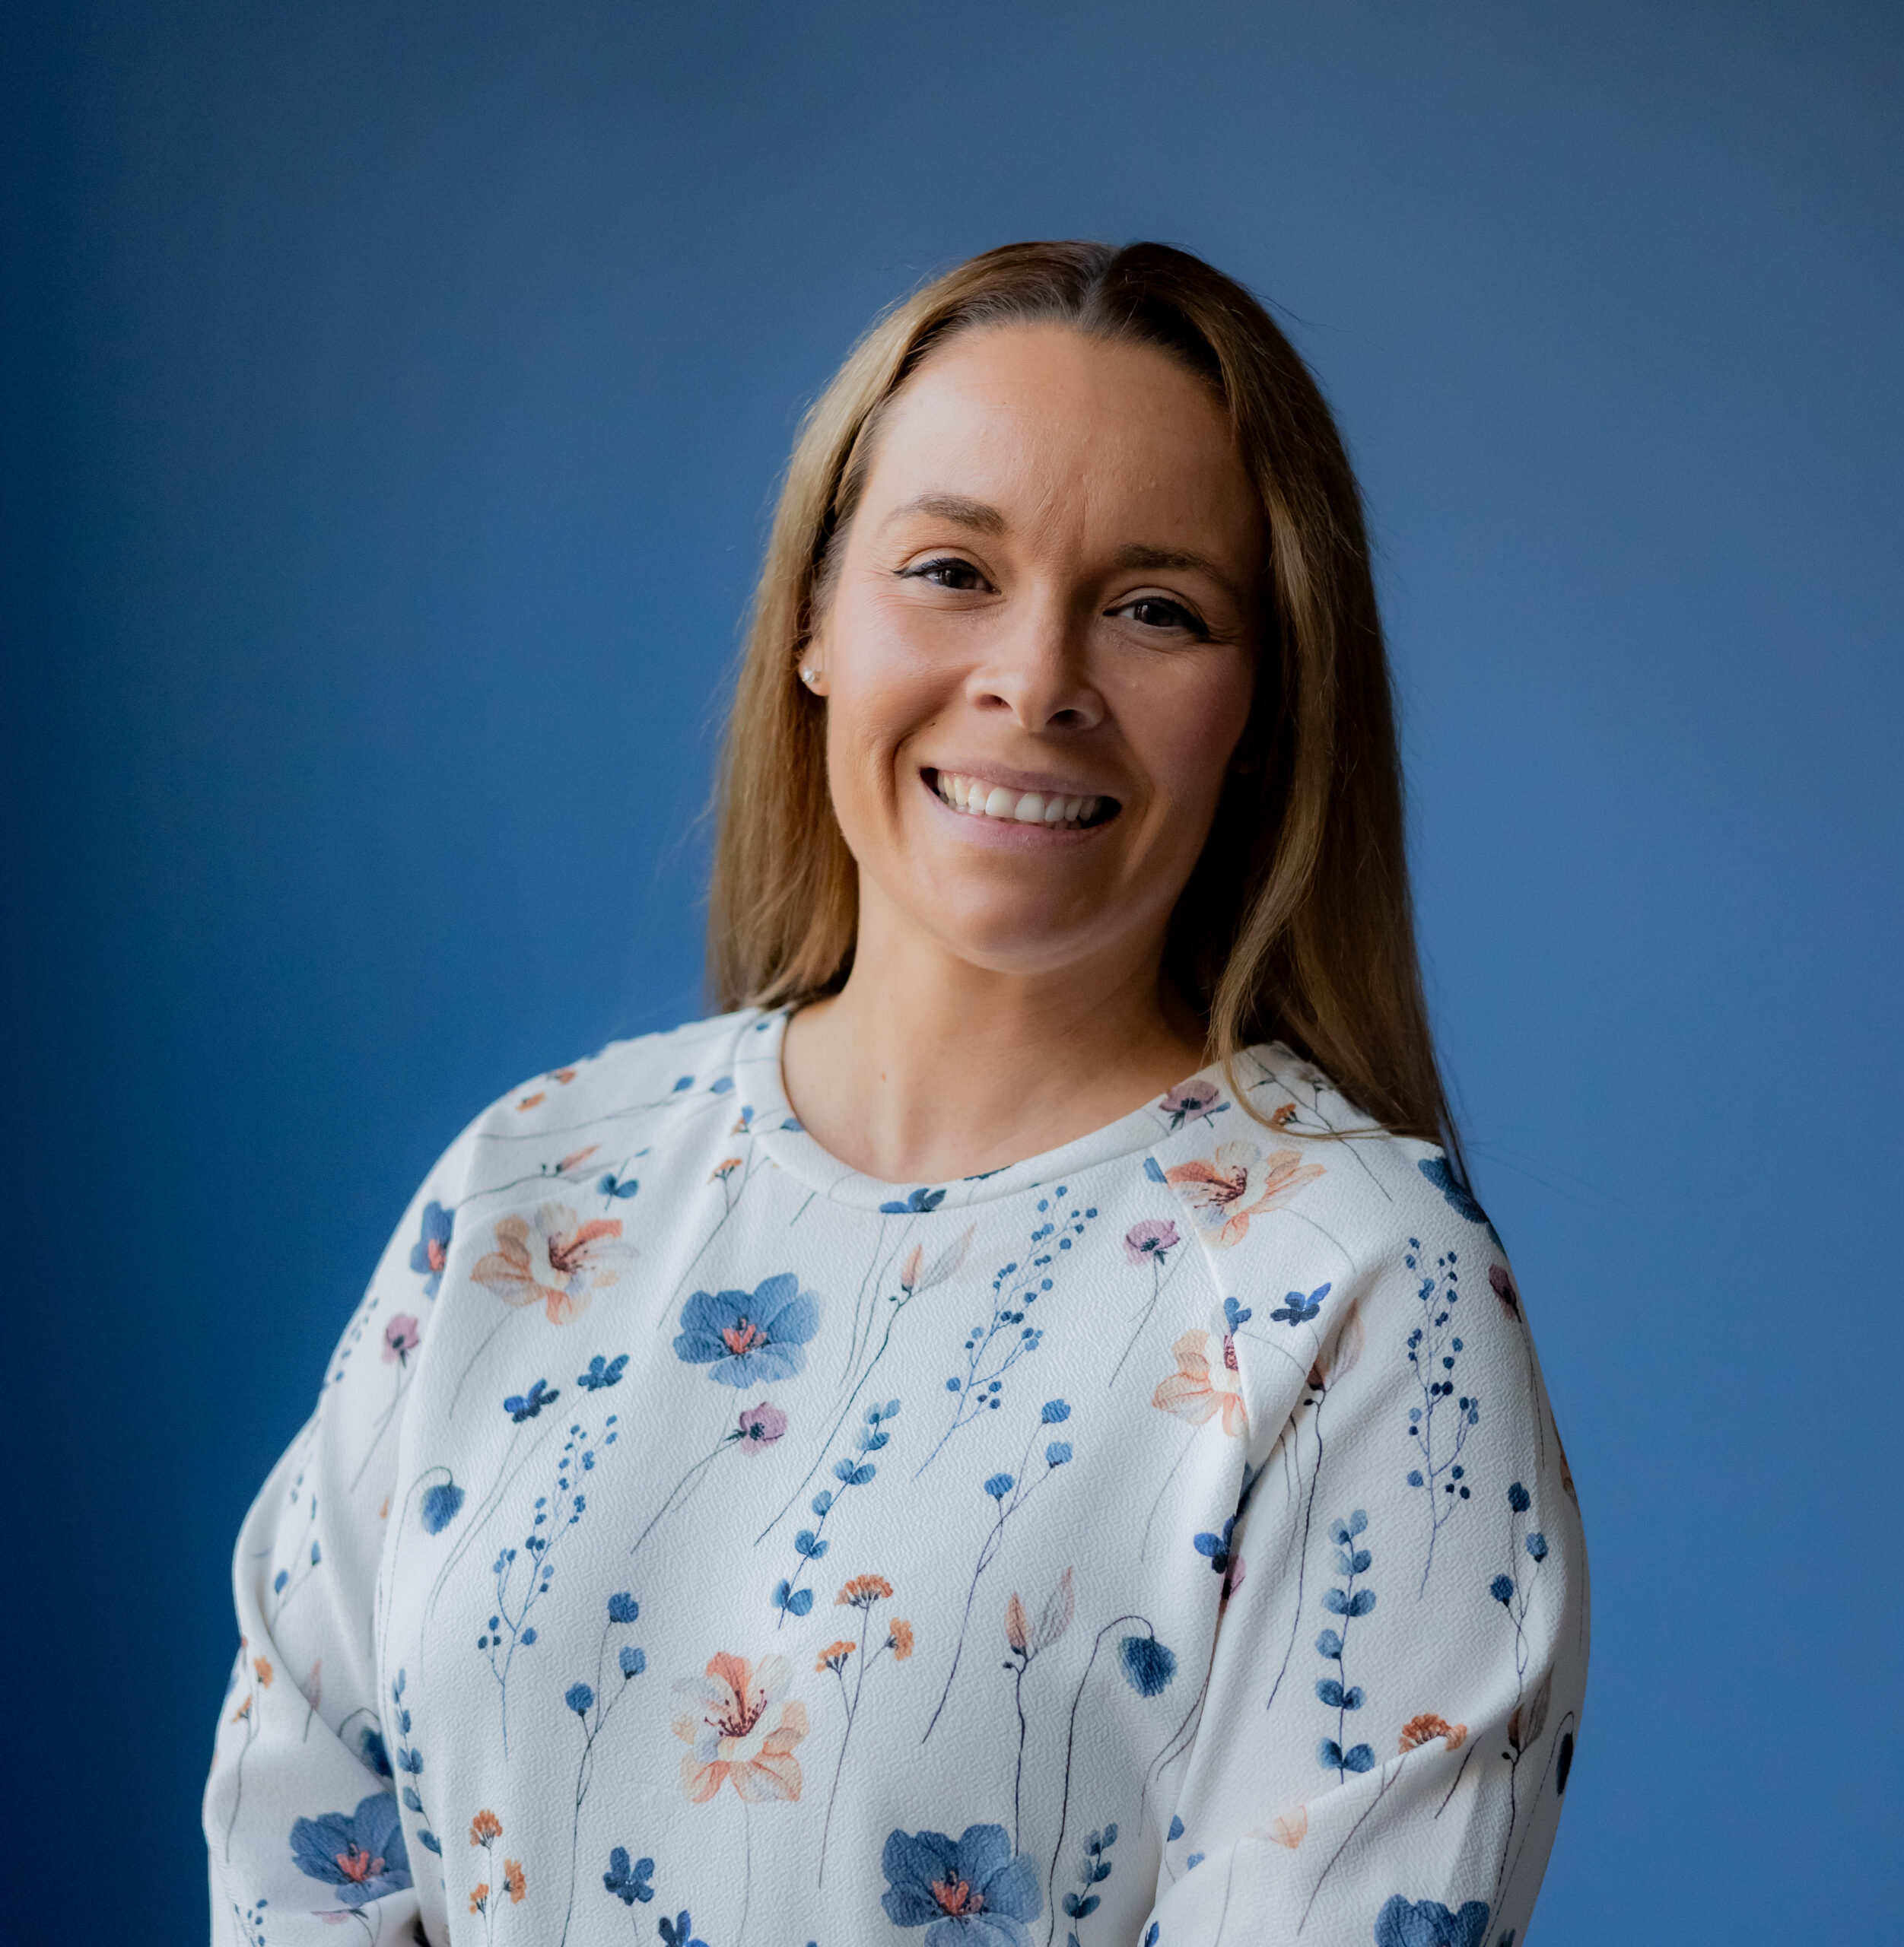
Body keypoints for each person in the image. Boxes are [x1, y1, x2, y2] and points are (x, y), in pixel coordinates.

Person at [205, 240, 1588, 1947]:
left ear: (1266, 705)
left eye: (1155, 607)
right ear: (812, 620)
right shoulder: (529, 1187)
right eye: (949, 568)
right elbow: (302, 1823)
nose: (1035, 679)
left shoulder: (1363, 1296)